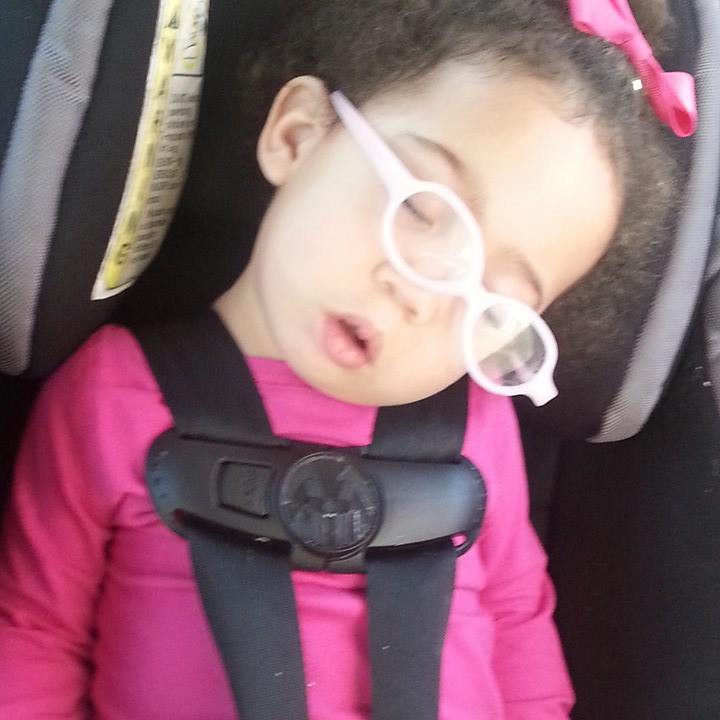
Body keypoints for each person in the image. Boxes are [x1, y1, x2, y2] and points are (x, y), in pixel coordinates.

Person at [0, 1, 688, 718]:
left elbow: (518, 625)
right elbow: (34, 633)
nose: (423, 294)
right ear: (299, 136)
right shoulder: (115, 393)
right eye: (419, 208)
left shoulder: (481, 430)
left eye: (497, 300)